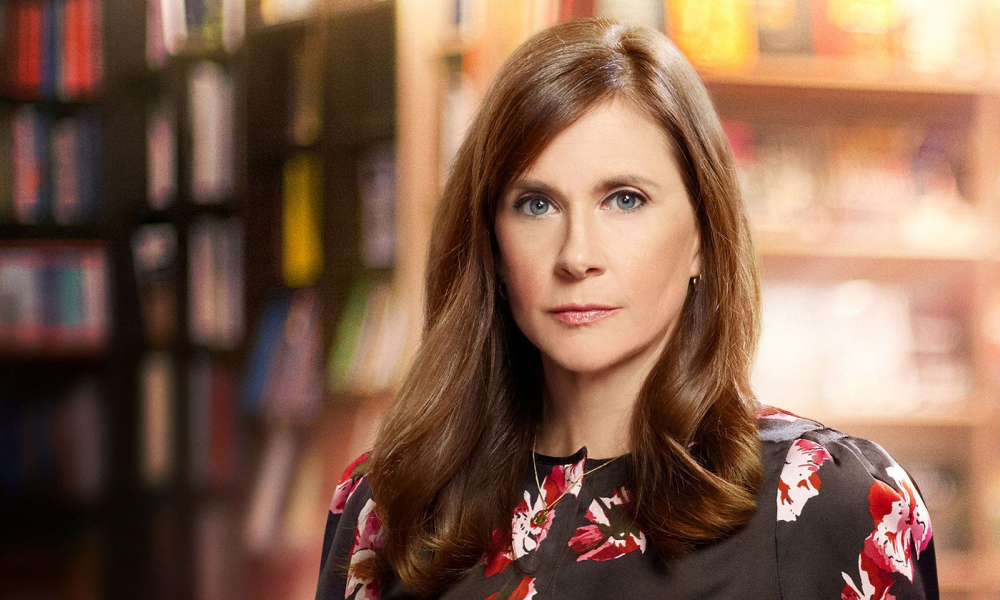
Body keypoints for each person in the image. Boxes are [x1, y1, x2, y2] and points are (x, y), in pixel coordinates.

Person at [314, 16, 938, 600]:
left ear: (702, 235)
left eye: (625, 199)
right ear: (492, 246)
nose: (577, 256)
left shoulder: (829, 501)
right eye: (536, 204)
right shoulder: (385, 507)